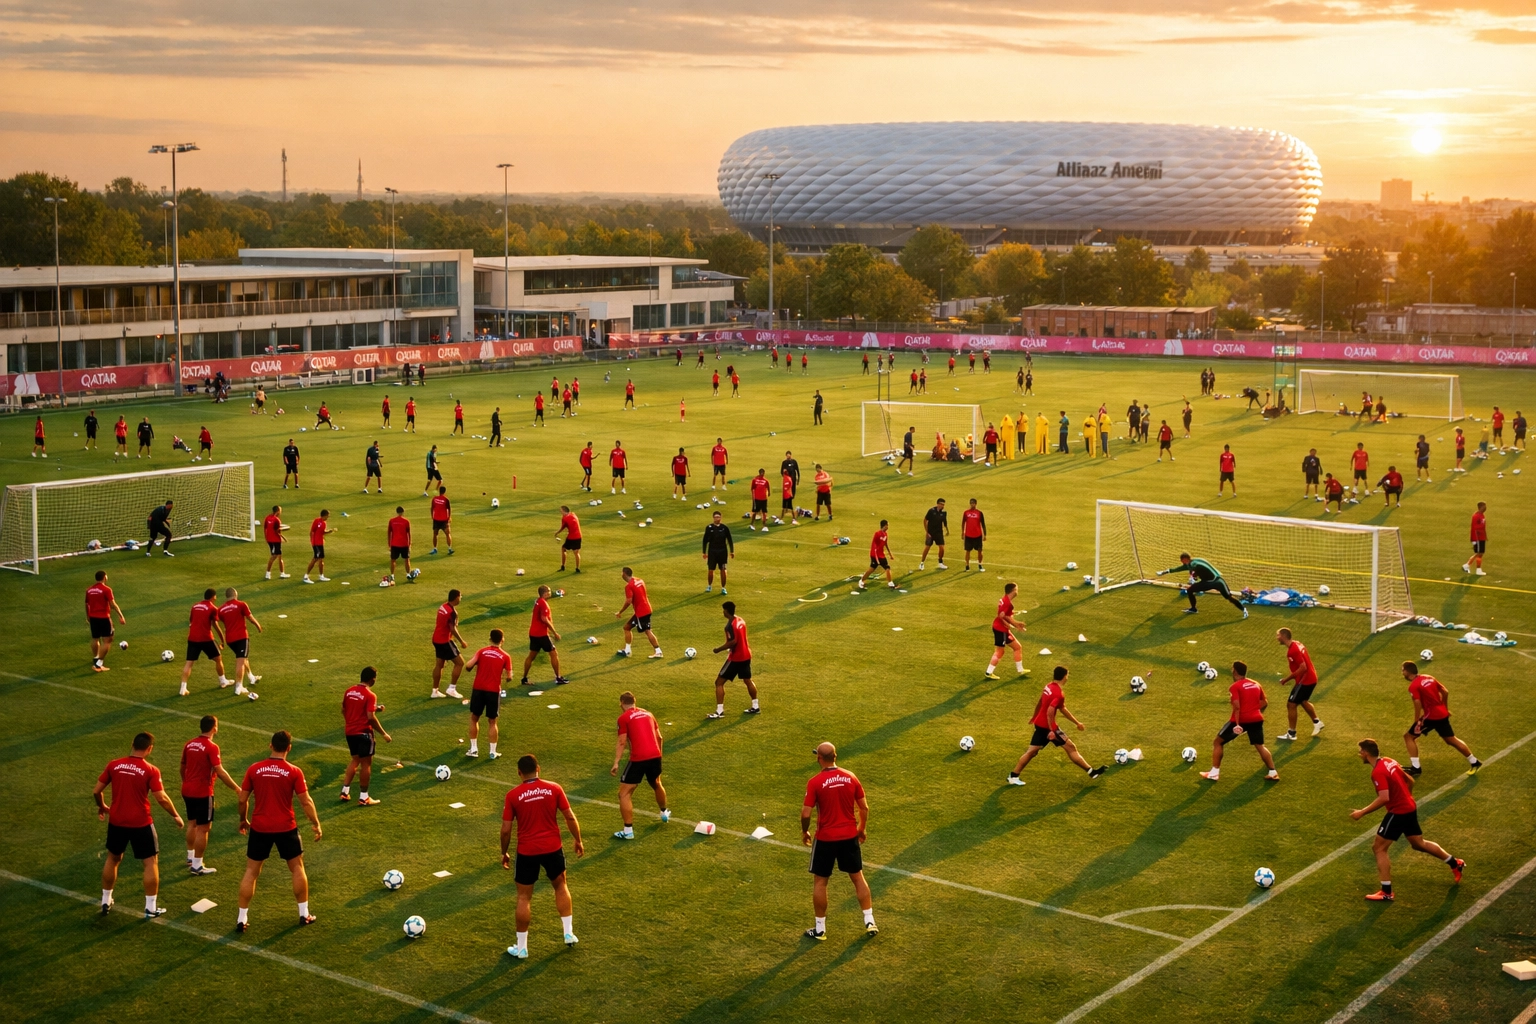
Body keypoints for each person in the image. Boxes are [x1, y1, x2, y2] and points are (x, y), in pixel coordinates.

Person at [1350, 738, 1464, 901]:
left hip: (1399, 811)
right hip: (1409, 806)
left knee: (1379, 848)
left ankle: (1387, 892)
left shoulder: (1377, 772)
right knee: (1418, 843)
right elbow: (1409, 780)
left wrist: (1362, 812)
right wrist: (1406, 797)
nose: (1359, 754)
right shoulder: (1389, 761)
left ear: (1366, 753)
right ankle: (1455, 863)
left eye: (1360, 751)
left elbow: (1384, 798)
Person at [236, 730, 322, 932]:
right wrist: (316, 822)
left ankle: (241, 918)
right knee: (297, 868)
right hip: (286, 827)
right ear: (289, 748)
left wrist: (242, 820)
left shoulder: (254, 769)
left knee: (251, 872)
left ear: (270, 745)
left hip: (260, 827)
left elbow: (242, 799)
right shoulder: (294, 771)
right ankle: (304, 914)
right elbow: (306, 801)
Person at [95, 731, 185, 918]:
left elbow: (97, 790)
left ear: (132, 744)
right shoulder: (150, 770)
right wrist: (175, 815)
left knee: (113, 859)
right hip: (140, 822)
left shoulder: (114, 765)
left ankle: (105, 900)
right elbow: (161, 798)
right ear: (149, 749)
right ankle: (150, 907)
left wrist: (102, 806)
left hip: (117, 821)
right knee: (150, 862)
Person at [501, 754, 584, 957]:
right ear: (538, 768)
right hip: (552, 848)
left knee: (523, 897)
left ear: (519, 772)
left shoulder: (513, 795)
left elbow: (505, 829)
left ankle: (522, 948)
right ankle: (568, 933)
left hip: (527, 851)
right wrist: (578, 840)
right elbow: (569, 816)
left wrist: (504, 852)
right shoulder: (554, 788)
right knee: (561, 886)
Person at [801, 742, 877, 940]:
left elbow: (806, 813)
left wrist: (805, 831)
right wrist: (861, 828)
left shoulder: (815, 782)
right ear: (835, 756)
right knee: (858, 877)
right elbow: (864, 807)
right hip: (849, 836)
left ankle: (820, 929)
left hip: (825, 838)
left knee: (820, 882)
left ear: (819, 758)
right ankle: (869, 921)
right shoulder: (850, 777)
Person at [1007, 666, 1107, 785]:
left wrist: (1076, 722)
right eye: (1067, 675)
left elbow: (1047, 703)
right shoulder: (1058, 694)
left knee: (1032, 752)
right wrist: (1051, 731)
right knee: (1070, 747)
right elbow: (1050, 711)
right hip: (1048, 727)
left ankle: (1013, 776)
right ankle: (1091, 772)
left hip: (1040, 724)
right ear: (1064, 676)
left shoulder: (1048, 687)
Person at [1200, 661, 1279, 782]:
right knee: (1260, 745)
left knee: (1218, 742)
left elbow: (1236, 706)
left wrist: (1237, 723)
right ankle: (1273, 772)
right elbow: (1264, 702)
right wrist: (1254, 711)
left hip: (1241, 720)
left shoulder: (1235, 687)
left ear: (1235, 671)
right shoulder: (1256, 684)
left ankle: (1214, 773)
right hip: (1257, 719)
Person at [181, 716, 240, 875]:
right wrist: (236, 788)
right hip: (203, 792)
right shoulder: (211, 747)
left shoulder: (189, 744)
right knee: (204, 828)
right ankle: (197, 866)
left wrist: (185, 782)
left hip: (187, 789)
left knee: (192, 823)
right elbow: (219, 771)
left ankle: (190, 857)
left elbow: (183, 766)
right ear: (214, 728)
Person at [1401, 661, 1481, 776]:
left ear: (1408, 672)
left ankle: (1416, 768)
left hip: (1431, 717)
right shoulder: (1429, 677)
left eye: (1403, 670)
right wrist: (1445, 708)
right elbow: (1445, 691)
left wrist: (1417, 719)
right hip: (1442, 714)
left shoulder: (1413, 686)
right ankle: (1474, 761)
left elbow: (1417, 703)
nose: (1402, 673)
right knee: (1450, 739)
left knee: (1408, 737)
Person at [611, 691, 669, 839]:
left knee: (624, 793)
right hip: (656, 755)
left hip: (638, 759)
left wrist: (616, 762)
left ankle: (628, 831)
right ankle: (664, 813)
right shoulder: (649, 714)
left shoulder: (623, 718)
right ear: (634, 702)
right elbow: (659, 737)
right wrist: (659, 755)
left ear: (622, 703)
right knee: (656, 783)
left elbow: (622, 742)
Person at [339, 667, 391, 805]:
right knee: (366, 763)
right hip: (364, 733)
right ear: (372, 679)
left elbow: (344, 709)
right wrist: (383, 733)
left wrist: (351, 721)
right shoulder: (370, 695)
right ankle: (364, 797)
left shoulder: (349, 691)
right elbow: (370, 717)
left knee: (355, 760)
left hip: (350, 731)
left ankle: (345, 791)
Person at [466, 630, 514, 758]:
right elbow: (510, 676)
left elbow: (468, 666)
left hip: (478, 689)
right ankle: (492, 751)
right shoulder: (505, 656)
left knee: (474, 718)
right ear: (502, 640)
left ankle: (474, 749)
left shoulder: (481, 651)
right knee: (492, 722)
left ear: (490, 638)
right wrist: (506, 676)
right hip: (493, 690)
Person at [1156, 552, 1247, 618]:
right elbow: (1177, 569)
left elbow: (1196, 566)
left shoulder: (1194, 563)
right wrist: (1164, 572)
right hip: (1206, 582)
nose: (1182, 562)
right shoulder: (1190, 563)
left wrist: (1193, 575)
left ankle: (1244, 610)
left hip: (1217, 581)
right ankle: (1193, 609)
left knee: (1229, 597)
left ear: (1186, 559)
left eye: (1182, 560)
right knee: (1190, 590)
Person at [708, 600, 759, 719]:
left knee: (719, 682)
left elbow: (733, 642)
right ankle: (755, 706)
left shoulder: (729, 626)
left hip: (736, 658)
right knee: (748, 680)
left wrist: (718, 649)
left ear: (726, 611)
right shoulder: (740, 620)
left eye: (723, 610)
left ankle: (719, 711)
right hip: (746, 655)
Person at [178, 588, 230, 696]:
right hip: (206, 638)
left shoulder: (195, 606)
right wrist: (222, 639)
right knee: (218, 659)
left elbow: (191, 621)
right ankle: (223, 681)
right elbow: (215, 625)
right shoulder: (212, 608)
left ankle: (183, 688)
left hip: (192, 638)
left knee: (189, 663)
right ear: (213, 597)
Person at [1275, 628, 1323, 741]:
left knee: (1291, 704)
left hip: (1305, 680)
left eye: (1278, 635)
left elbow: (1303, 668)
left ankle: (1292, 733)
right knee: (1302, 701)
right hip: (1311, 678)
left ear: (1283, 636)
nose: (1277, 638)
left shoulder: (1292, 651)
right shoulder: (1297, 643)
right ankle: (1317, 722)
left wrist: (1286, 679)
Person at [216, 587, 262, 696]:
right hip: (241, 637)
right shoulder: (241, 604)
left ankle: (251, 677)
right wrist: (258, 625)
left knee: (243, 657)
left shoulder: (221, 609)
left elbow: (221, 620)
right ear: (235, 595)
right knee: (240, 662)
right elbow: (250, 618)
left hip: (230, 639)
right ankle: (238, 687)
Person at [521, 585, 568, 686]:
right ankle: (558, 678)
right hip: (541, 634)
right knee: (554, 654)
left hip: (533, 633)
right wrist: (554, 632)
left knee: (531, 656)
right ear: (545, 593)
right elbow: (544, 619)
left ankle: (524, 679)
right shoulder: (543, 603)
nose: (550, 593)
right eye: (549, 591)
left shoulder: (538, 601)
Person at [986, 582, 1030, 679]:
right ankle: (988, 673)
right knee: (1000, 651)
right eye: (1016, 589)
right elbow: (1001, 615)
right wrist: (1013, 623)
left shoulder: (1004, 599)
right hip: (1000, 629)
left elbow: (1004, 614)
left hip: (1002, 629)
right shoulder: (1007, 603)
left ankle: (1020, 670)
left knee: (1017, 647)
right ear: (1013, 591)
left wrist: (1014, 623)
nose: (1017, 591)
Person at [616, 567, 662, 658]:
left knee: (647, 631)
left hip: (641, 612)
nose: (621, 575)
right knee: (627, 627)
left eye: (622, 573)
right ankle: (627, 650)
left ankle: (658, 651)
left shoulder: (629, 586)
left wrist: (620, 612)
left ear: (625, 574)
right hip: (646, 608)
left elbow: (628, 601)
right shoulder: (639, 580)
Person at [86, 570, 126, 672]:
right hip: (103, 617)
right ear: (105, 577)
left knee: (95, 638)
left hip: (93, 617)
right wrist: (121, 616)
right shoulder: (106, 589)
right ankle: (99, 664)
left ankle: (96, 658)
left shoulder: (89, 590)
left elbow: (87, 604)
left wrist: (88, 616)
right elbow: (112, 604)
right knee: (108, 640)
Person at [431, 589, 467, 699]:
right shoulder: (452, 612)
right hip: (444, 641)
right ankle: (452, 689)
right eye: (460, 596)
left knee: (439, 665)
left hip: (436, 638)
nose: (461, 598)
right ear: (456, 597)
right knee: (460, 663)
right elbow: (452, 629)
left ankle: (435, 691)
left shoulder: (443, 607)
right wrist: (462, 641)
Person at [702, 510, 734, 594]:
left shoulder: (724, 528)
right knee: (710, 570)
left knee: (723, 569)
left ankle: (723, 588)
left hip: (722, 551)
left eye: (718, 517)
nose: (717, 518)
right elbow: (705, 540)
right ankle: (709, 586)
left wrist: (732, 551)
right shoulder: (709, 528)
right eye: (716, 517)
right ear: (713, 518)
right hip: (712, 551)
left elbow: (729, 539)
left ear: (721, 518)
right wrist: (704, 552)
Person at [860, 521, 895, 590]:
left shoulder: (885, 534)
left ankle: (861, 581)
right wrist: (876, 557)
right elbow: (874, 545)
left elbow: (885, 544)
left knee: (873, 568)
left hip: (881, 555)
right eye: (887, 525)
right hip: (875, 555)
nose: (888, 527)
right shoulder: (877, 534)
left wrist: (890, 553)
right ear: (884, 526)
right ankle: (890, 583)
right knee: (885, 568)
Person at [303, 509, 332, 583]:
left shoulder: (324, 523)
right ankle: (306, 576)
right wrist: (312, 541)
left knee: (321, 560)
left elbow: (322, 532)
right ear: (324, 515)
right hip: (316, 544)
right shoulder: (316, 521)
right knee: (315, 559)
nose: (328, 517)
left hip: (320, 543)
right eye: (327, 516)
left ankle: (321, 576)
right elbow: (312, 531)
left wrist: (328, 531)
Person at [386, 506, 413, 586]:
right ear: (403, 512)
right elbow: (409, 533)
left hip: (394, 544)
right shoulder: (406, 521)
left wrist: (389, 544)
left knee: (393, 560)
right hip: (404, 544)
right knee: (407, 559)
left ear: (396, 512)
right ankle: (408, 574)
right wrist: (410, 544)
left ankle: (392, 575)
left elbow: (389, 532)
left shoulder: (392, 521)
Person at [919, 497, 948, 570]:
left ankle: (940, 562)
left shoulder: (943, 513)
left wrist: (947, 530)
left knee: (942, 548)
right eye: (941, 504)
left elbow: (944, 522)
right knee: (927, 547)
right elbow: (925, 520)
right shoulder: (931, 511)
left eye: (943, 505)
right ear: (937, 504)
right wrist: (927, 532)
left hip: (939, 533)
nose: (942, 506)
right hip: (931, 533)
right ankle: (922, 563)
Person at [262, 505, 289, 579]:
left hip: (270, 540)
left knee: (279, 556)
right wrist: (282, 536)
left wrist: (266, 538)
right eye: (280, 510)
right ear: (277, 511)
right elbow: (277, 531)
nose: (280, 512)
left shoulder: (267, 518)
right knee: (274, 556)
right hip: (275, 541)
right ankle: (267, 573)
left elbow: (265, 528)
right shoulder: (277, 520)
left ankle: (282, 573)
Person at [960, 498, 986, 571]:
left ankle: (980, 564)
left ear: (976, 504)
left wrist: (985, 534)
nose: (972, 504)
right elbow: (963, 522)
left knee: (980, 550)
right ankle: (967, 565)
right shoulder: (966, 513)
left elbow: (983, 524)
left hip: (978, 535)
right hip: (968, 535)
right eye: (971, 503)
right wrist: (963, 532)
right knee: (968, 550)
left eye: (973, 503)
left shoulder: (979, 513)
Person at [556, 504, 582, 572]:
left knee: (563, 549)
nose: (560, 512)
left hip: (571, 537)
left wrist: (556, 533)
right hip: (579, 536)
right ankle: (577, 568)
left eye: (561, 511)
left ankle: (563, 566)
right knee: (576, 553)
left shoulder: (565, 518)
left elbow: (562, 527)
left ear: (564, 511)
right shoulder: (573, 515)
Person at [1465, 501, 1488, 576]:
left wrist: (1485, 536)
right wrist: (1473, 540)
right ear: (1481, 507)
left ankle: (1470, 566)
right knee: (1479, 553)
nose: (1485, 508)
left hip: (1481, 537)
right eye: (1484, 506)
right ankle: (1473, 568)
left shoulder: (1481, 515)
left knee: (1480, 553)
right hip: (1477, 537)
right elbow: (1474, 528)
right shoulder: (1476, 516)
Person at [430, 486, 453, 555]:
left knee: (435, 534)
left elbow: (432, 508)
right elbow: (449, 509)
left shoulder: (434, 499)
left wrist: (432, 516)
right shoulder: (446, 499)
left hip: (436, 519)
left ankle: (435, 549)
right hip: (444, 520)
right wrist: (449, 517)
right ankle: (449, 548)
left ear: (439, 491)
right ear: (445, 491)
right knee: (448, 534)